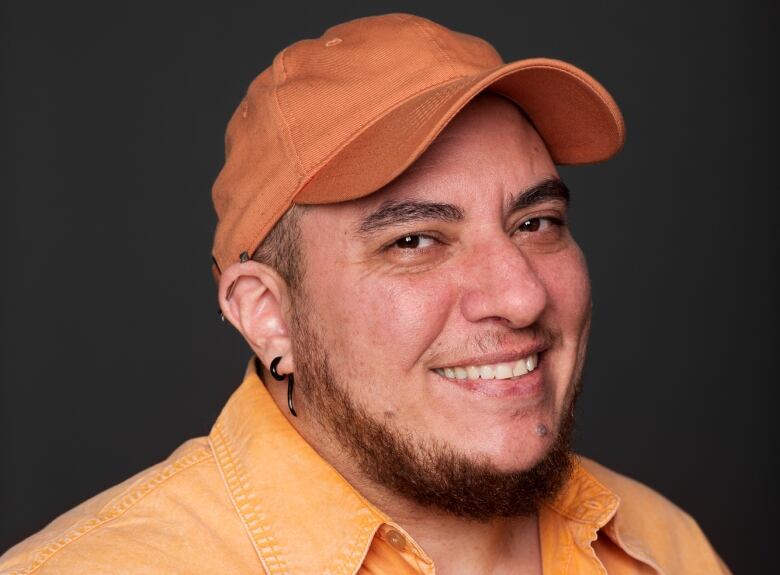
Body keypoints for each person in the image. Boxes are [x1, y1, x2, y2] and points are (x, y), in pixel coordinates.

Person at [0, 13, 730, 575]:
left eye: (536, 222)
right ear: (267, 315)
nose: (520, 295)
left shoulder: (664, 544)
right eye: (413, 240)